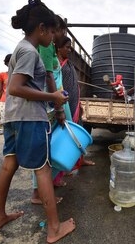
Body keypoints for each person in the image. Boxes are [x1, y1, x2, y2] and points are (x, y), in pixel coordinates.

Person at [0, 0, 75, 243]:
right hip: (30, 119)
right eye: (52, 32)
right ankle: (54, 228)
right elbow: (15, 87)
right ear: (42, 29)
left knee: (9, 163)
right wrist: (53, 96)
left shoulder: (21, 48)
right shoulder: (29, 51)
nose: (53, 38)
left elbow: (15, 88)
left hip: (15, 118)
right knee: (43, 168)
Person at [31, 15, 68, 204]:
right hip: (47, 105)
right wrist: (59, 106)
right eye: (59, 31)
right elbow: (48, 77)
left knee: (49, 147)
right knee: (44, 150)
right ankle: (38, 194)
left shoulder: (51, 49)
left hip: (50, 103)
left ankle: (45, 188)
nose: (60, 34)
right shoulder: (46, 48)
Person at [56, 36, 95, 172]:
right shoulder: (56, 64)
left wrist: (79, 103)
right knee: (68, 134)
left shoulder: (68, 62)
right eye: (67, 47)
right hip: (65, 103)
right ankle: (67, 163)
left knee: (78, 131)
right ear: (58, 47)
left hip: (74, 102)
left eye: (70, 47)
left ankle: (80, 160)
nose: (69, 50)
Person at [0, 54, 11, 123]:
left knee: (18, 125)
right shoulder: (2, 75)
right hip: (4, 103)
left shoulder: (20, 75)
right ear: (7, 63)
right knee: (7, 125)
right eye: (10, 61)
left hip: (17, 103)